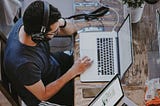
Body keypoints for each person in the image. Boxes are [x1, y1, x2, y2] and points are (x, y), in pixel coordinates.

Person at [4, 1, 93, 106]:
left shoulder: (30, 22)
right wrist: (73, 72)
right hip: (47, 91)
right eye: (54, 32)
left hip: (49, 65)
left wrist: (60, 22)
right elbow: (44, 95)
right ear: (39, 36)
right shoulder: (24, 64)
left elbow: (72, 29)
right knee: (90, 95)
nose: (58, 32)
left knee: (90, 64)